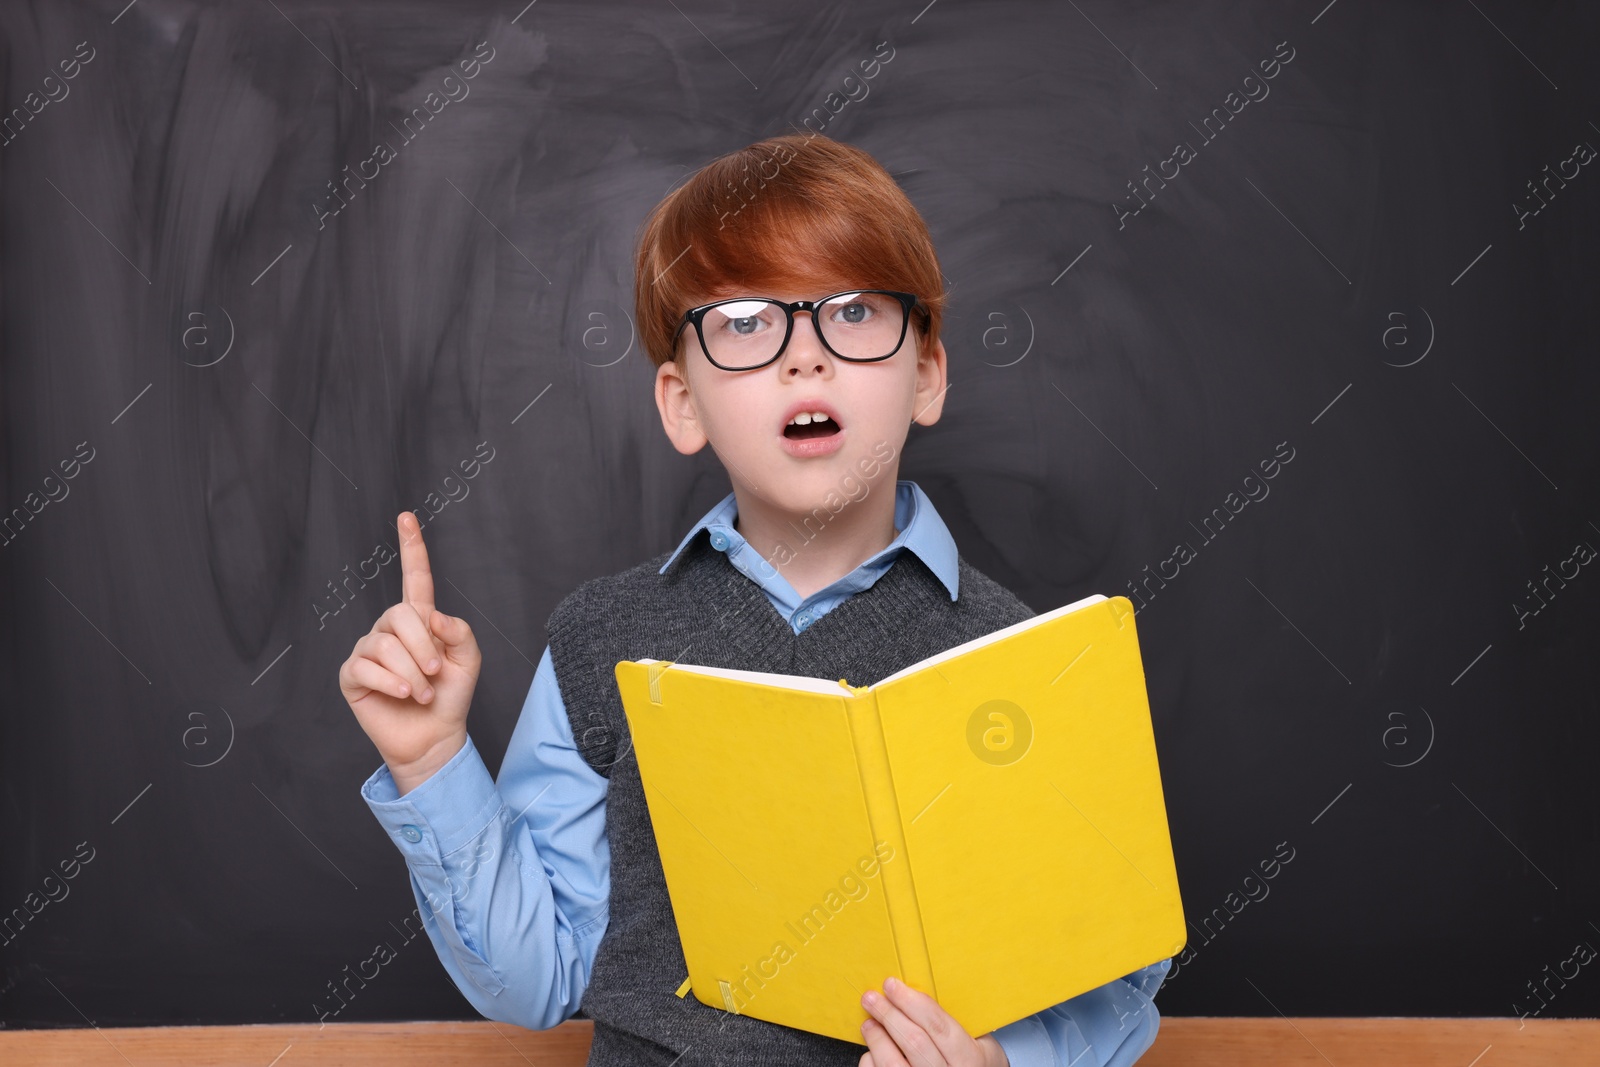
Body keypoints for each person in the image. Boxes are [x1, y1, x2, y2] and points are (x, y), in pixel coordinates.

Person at [342, 132, 1171, 1066]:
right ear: (681, 402)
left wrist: (1004, 1063)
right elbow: (540, 977)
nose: (803, 358)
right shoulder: (601, 639)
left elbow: (1117, 985)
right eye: (742, 320)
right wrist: (433, 762)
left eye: (853, 311)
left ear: (927, 376)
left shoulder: (1027, 657)